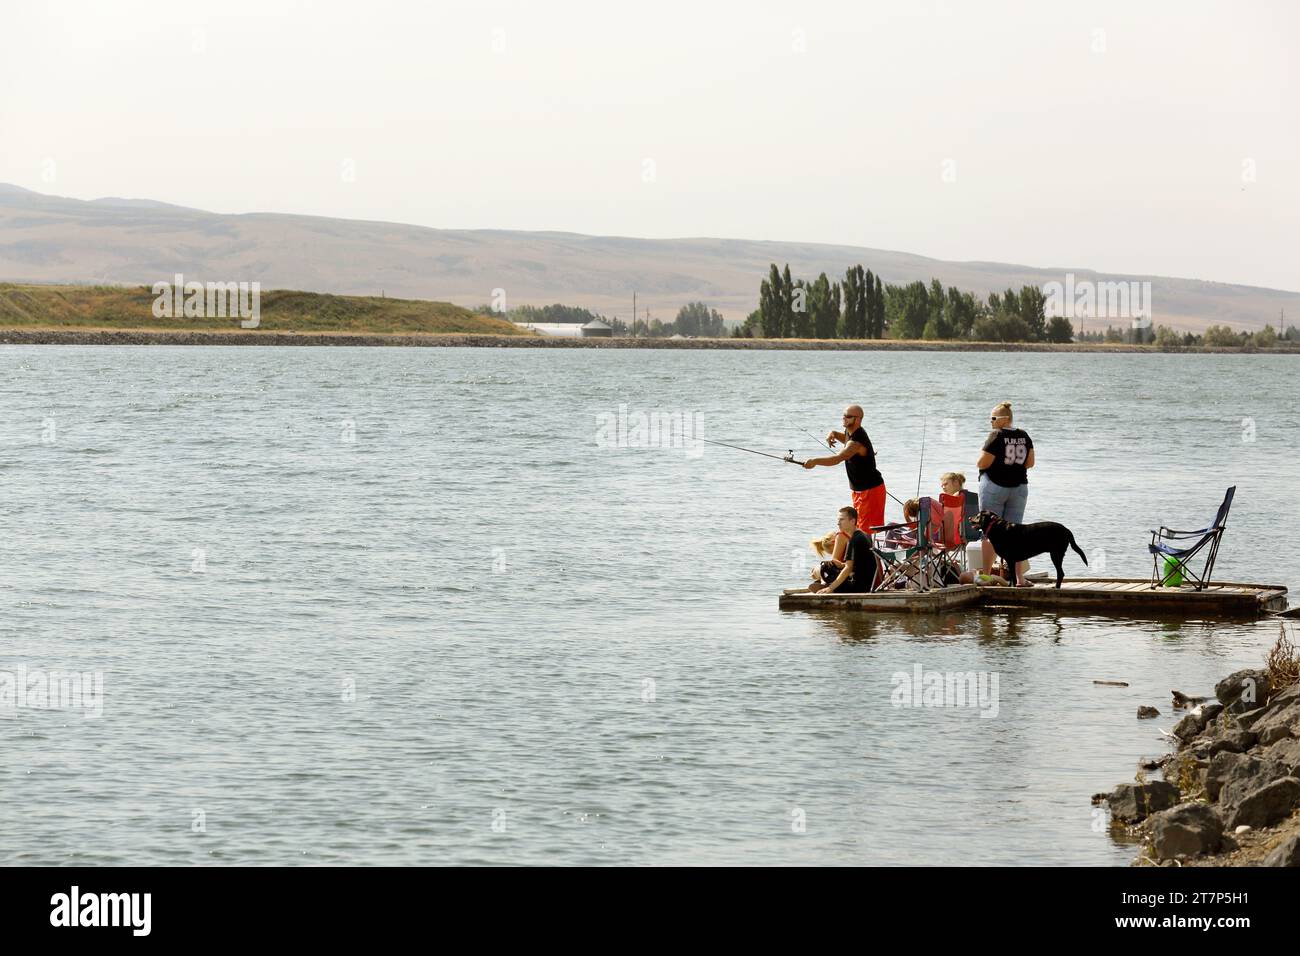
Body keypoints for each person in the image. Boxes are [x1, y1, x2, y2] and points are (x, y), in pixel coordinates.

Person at [802, 404, 887, 533]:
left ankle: (867, 552)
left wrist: (815, 461)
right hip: (858, 490)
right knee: (858, 526)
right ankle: (863, 551)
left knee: (865, 530)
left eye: (848, 416)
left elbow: (838, 458)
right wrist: (833, 434)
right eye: (843, 416)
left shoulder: (857, 441)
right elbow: (846, 438)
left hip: (870, 490)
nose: (844, 419)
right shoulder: (851, 432)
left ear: (857, 419)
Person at [976, 401, 1035, 582]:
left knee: (989, 531)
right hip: (1019, 488)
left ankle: (986, 574)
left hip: (994, 486)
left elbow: (982, 463)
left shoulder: (996, 435)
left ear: (1005, 420)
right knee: (1015, 533)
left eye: (993, 418)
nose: (991, 422)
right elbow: (1030, 463)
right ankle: (1019, 579)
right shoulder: (1024, 436)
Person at [814, 507, 877, 593]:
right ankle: (827, 585)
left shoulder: (854, 540)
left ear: (852, 521)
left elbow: (848, 568)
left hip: (859, 587)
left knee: (825, 568)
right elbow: (859, 565)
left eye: (841, 520)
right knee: (831, 567)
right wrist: (842, 565)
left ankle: (828, 586)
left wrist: (830, 588)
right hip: (869, 583)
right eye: (838, 520)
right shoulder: (864, 535)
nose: (838, 523)